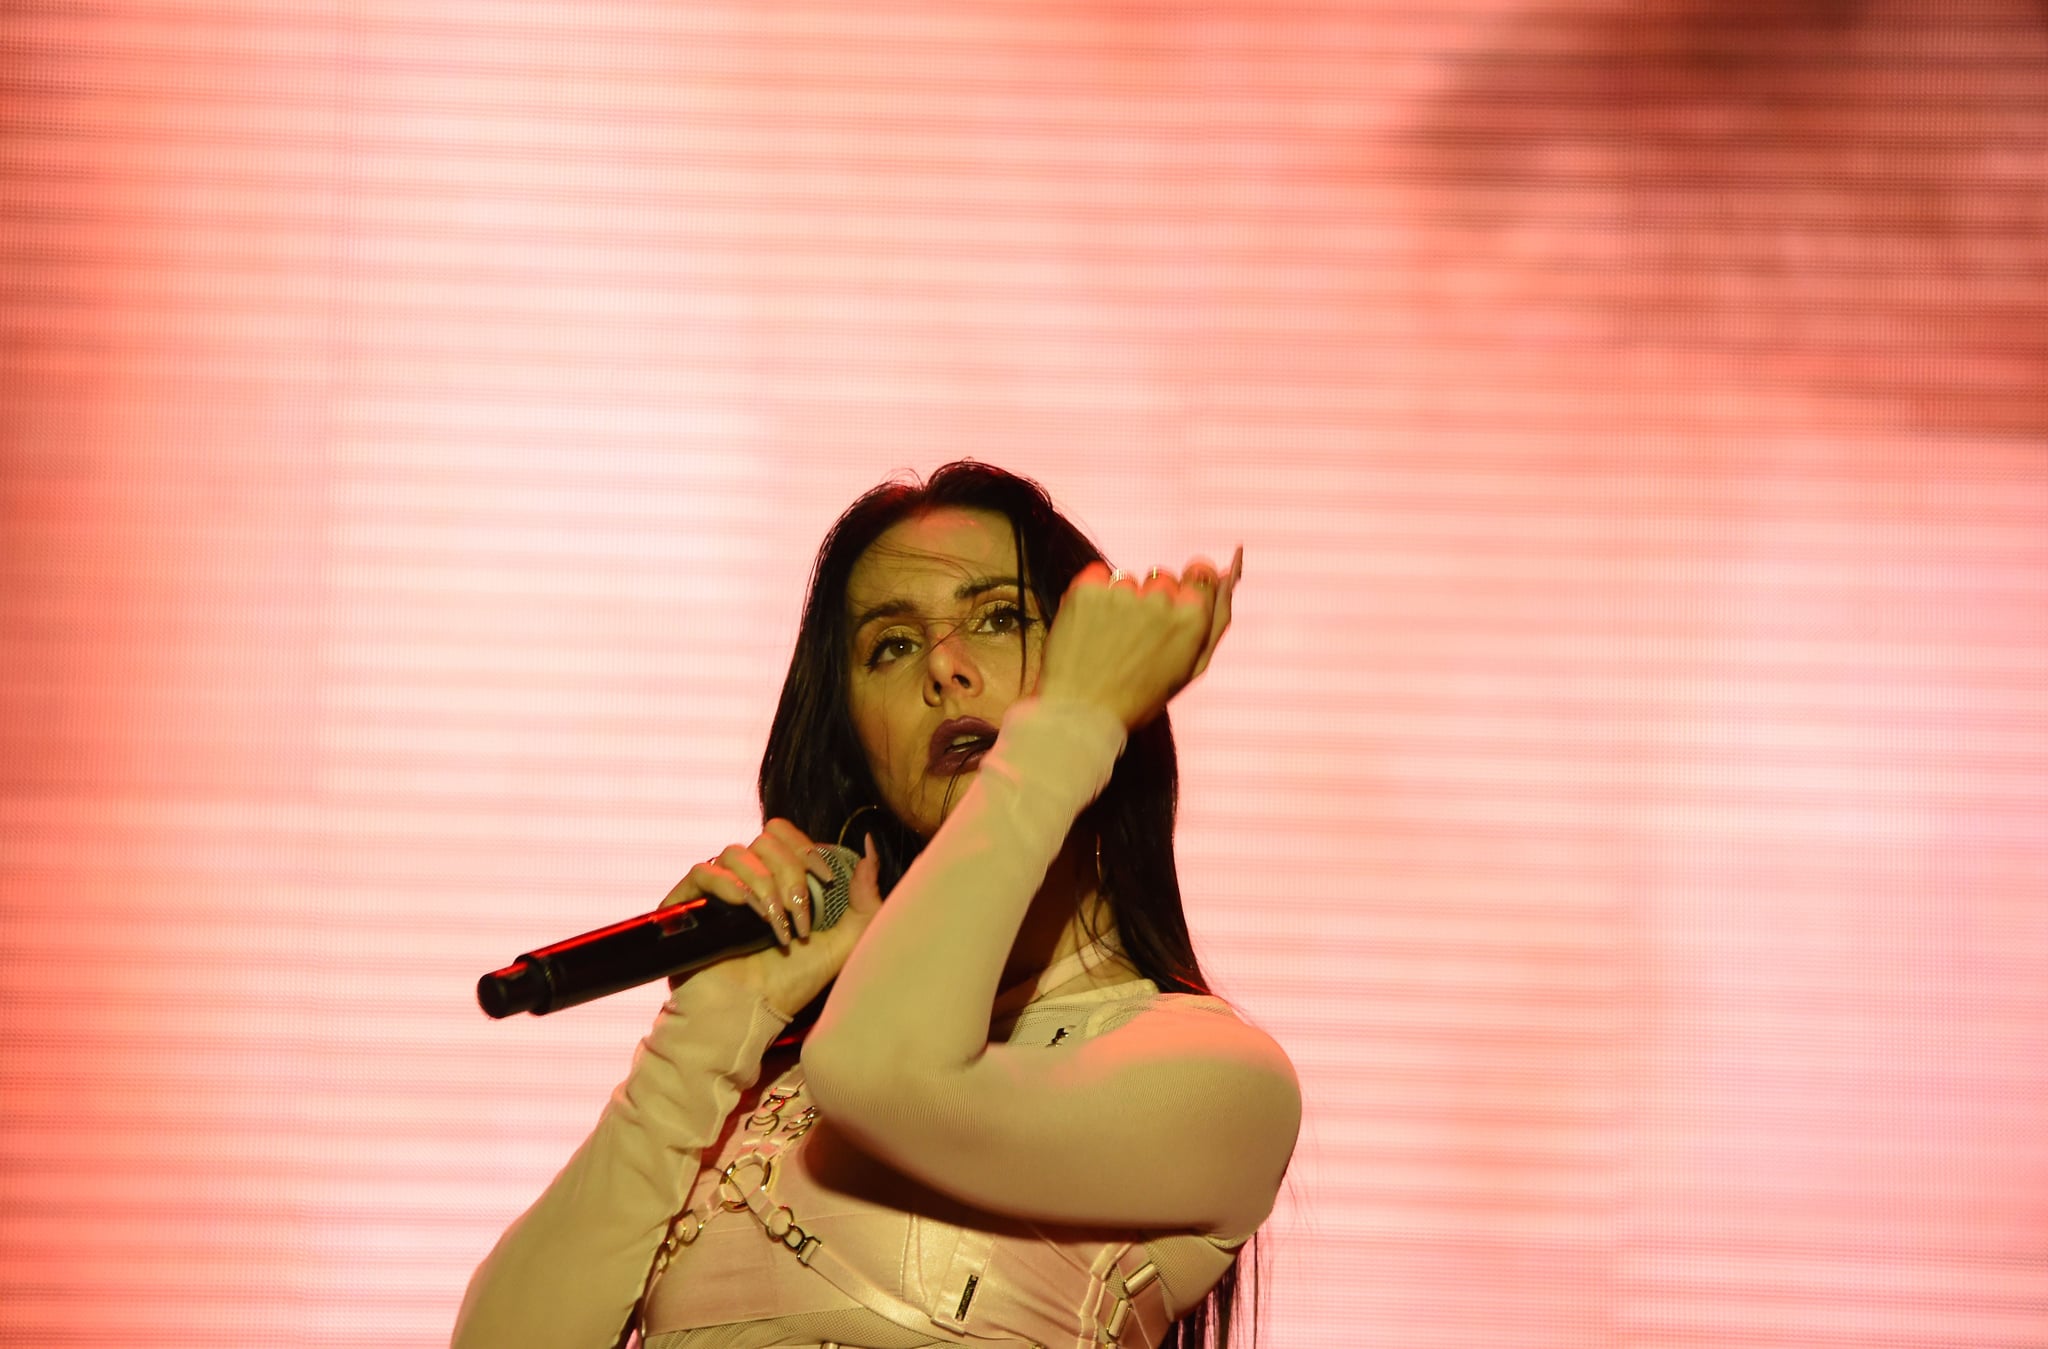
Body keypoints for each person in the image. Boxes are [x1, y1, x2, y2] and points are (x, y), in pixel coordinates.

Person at [453, 462, 1301, 1349]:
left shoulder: (1217, 1075)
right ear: (857, 742)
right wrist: (707, 1032)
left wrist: (1073, 727)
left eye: (1000, 617)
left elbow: (883, 1077)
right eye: (891, 645)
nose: (944, 666)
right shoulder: (753, 1082)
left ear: (1105, 670)